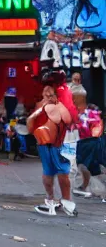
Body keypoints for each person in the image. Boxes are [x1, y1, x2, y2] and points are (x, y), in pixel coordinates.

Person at [28, 85, 76, 216]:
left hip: (52, 144)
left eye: (49, 94)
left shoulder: (44, 107)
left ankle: (53, 201)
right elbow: (68, 121)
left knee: (54, 172)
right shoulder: (60, 107)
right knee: (57, 172)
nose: (48, 96)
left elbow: (30, 125)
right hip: (54, 144)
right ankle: (63, 202)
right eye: (46, 94)